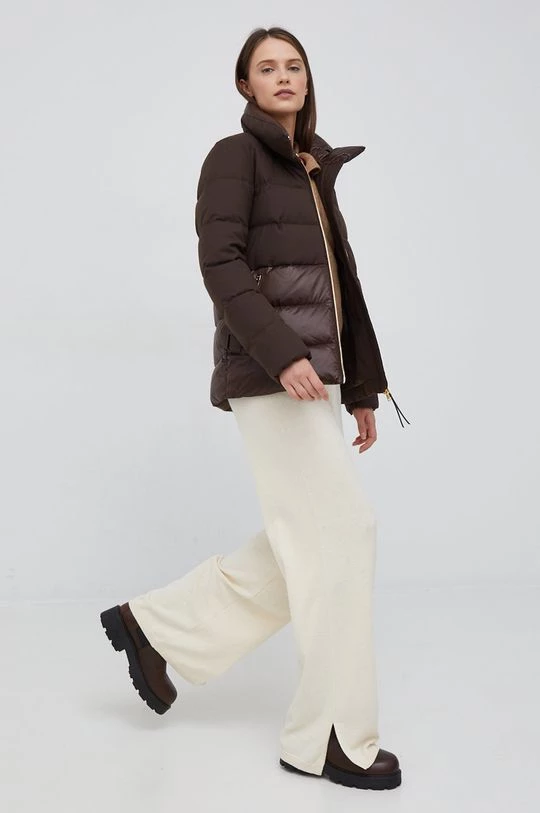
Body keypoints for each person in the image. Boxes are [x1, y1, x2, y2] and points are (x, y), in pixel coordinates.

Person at [100, 26, 409, 791]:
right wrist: (282, 353)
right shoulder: (234, 156)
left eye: (293, 65)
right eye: (266, 67)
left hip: (312, 377)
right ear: (245, 85)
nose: (283, 76)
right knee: (344, 530)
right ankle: (329, 736)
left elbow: (340, 285)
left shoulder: (311, 167)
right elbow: (220, 262)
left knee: (312, 537)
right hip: (273, 372)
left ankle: (156, 625)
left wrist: (361, 387)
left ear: (307, 78)